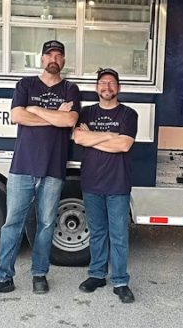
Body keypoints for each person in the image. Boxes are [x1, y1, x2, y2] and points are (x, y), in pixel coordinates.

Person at [0, 40, 80, 297]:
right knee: (13, 223)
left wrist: (35, 109)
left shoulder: (71, 89)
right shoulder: (26, 84)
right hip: (22, 167)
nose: (53, 58)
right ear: (41, 59)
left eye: (58, 55)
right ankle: (3, 277)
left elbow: (69, 120)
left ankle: (39, 273)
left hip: (54, 168)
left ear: (63, 61)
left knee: (45, 224)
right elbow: (17, 116)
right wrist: (52, 114)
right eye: (49, 55)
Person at [73, 68, 138, 304]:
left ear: (118, 88)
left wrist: (96, 137)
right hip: (91, 183)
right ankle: (97, 275)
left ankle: (120, 281)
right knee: (98, 232)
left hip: (118, 184)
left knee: (119, 235)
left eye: (111, 83)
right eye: (103, 83)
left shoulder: (129, 114)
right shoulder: (86, 112)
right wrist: (110, 135)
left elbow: (124, 145)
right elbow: (79, 138)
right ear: (96, 87)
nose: (107, 87)